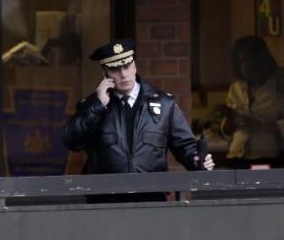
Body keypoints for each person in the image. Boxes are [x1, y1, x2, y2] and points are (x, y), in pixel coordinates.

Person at [63, 38, 214, 201]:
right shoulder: (93, 105)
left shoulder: (164, 104)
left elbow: (185, 146)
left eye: (127, 66)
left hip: (151, 200)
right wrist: (98, 106)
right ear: (105, 74)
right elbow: (71, 141)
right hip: (106, 201)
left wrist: (196, 159)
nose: (123, 74)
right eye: (115, 69)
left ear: (134, 66)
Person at [222, 35, 284, 167]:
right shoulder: (236, 88)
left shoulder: (279, 84)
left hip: (267, 156)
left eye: (251, 60)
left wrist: (262, 125)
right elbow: (227, 133)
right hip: (237, 155)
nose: (246, 67)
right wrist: (229, 124)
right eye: (241, 62)